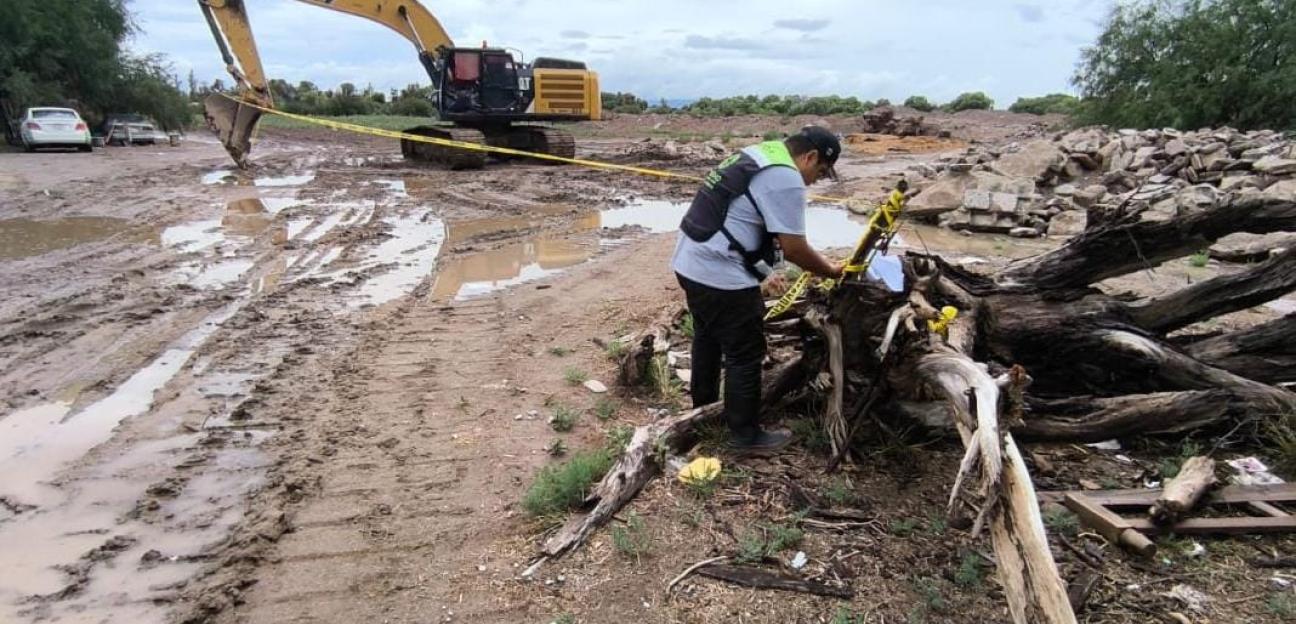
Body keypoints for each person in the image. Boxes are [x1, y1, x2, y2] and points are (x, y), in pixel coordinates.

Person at [671, 126, 844, 452]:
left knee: (708, 335)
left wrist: (766, 271)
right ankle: (745, 436)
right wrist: (830, 271)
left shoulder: (760, 153)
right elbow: (794, 248)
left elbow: (747, 223)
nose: (816, 181)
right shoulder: (786, 177)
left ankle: (702, 410)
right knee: (745, 352)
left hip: (690, 260)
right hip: (718, 273)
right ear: (809, 157)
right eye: (819, 172)